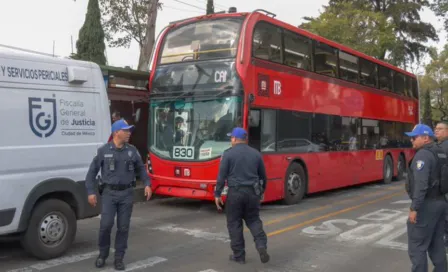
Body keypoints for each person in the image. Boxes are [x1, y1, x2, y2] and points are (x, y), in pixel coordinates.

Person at [85, 119, 152, 270]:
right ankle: (103, 254)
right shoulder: (103, 151)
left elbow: (142, 169)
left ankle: (119, 258)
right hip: (109, 194)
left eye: (129, 130)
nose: (129, 133)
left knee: (123, 227)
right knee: (106, 225)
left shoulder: (132, 151)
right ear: (116, 133)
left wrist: (147, 184)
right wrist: (90, 192)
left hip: (127, 194)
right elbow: (91, 174)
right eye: (126, 130)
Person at [214, 127, 270, 264]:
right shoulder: (256, 154)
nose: (230, 140)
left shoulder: (228, 154)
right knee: (254, 220)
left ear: (234, 139)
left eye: (230, 138)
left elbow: (221, 176)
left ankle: (239, 256)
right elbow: (263, 176)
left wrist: (217, 194)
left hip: (235, 193)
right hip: (252, 193)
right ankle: (261, 246)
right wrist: (261, 192)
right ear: (245, 140)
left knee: (234, 224)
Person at [404, 124, 447, 272]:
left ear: (425, 138)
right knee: (437, 245)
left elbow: (421, 184)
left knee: (417, 246)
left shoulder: (423, 155)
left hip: (427, 205)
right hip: (441, 203)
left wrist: (414, 208)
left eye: (414, 137)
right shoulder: (441, 152)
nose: (412, 141)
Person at [435, 121, 448, 247]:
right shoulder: (440, 145)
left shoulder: (443, 147)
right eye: (436, 128)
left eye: (440, 129)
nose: (436, 130)